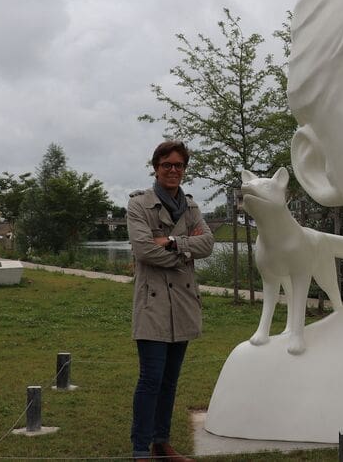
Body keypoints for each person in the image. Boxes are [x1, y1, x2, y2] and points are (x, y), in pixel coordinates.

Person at [127, 140, 214, 461]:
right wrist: (184, 253)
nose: (173, 171)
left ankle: (161, 442)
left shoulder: (191, 207)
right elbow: (143, 250)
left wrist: (174, 241)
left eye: (179, 165)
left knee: (170, 381)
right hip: (153, 305)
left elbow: (208, 244)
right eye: (167, 165)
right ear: (156, 168)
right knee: (151, 379)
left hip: (183, 304)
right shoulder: (139, 205)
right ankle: (140, 450)